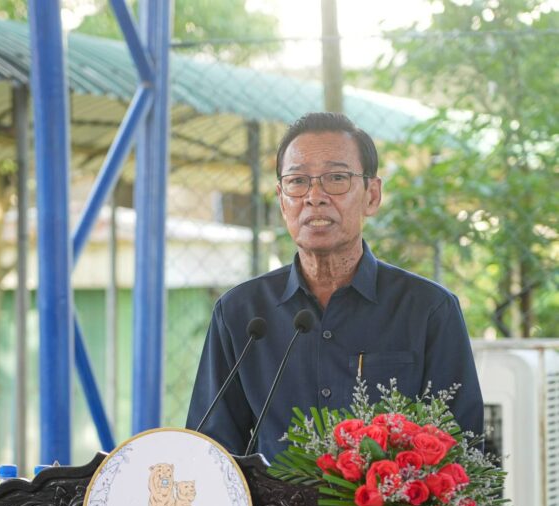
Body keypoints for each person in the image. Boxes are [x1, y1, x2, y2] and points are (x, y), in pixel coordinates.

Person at [186, 112, 484, 462]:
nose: (315, 196)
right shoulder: (240, 314)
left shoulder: (429, 310)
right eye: (298, 181)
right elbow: (211, 453)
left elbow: (461, 454)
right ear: (281, 200)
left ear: (372, 195)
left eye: (337, 178)